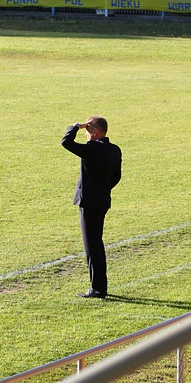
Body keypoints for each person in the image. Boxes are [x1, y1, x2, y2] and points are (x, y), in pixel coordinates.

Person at [61, 117, 122, 299]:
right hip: (102, 200)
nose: (86, 133)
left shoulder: (93, 149)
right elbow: (116, 177)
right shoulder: (114, 150)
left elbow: (66, 142)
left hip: (89, 202)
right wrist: (103, 189)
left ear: (94, 132)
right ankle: (99, 286)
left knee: (92, 246)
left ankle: (98, 288)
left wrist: (74, 127)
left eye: (88, 129)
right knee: (96, 243)